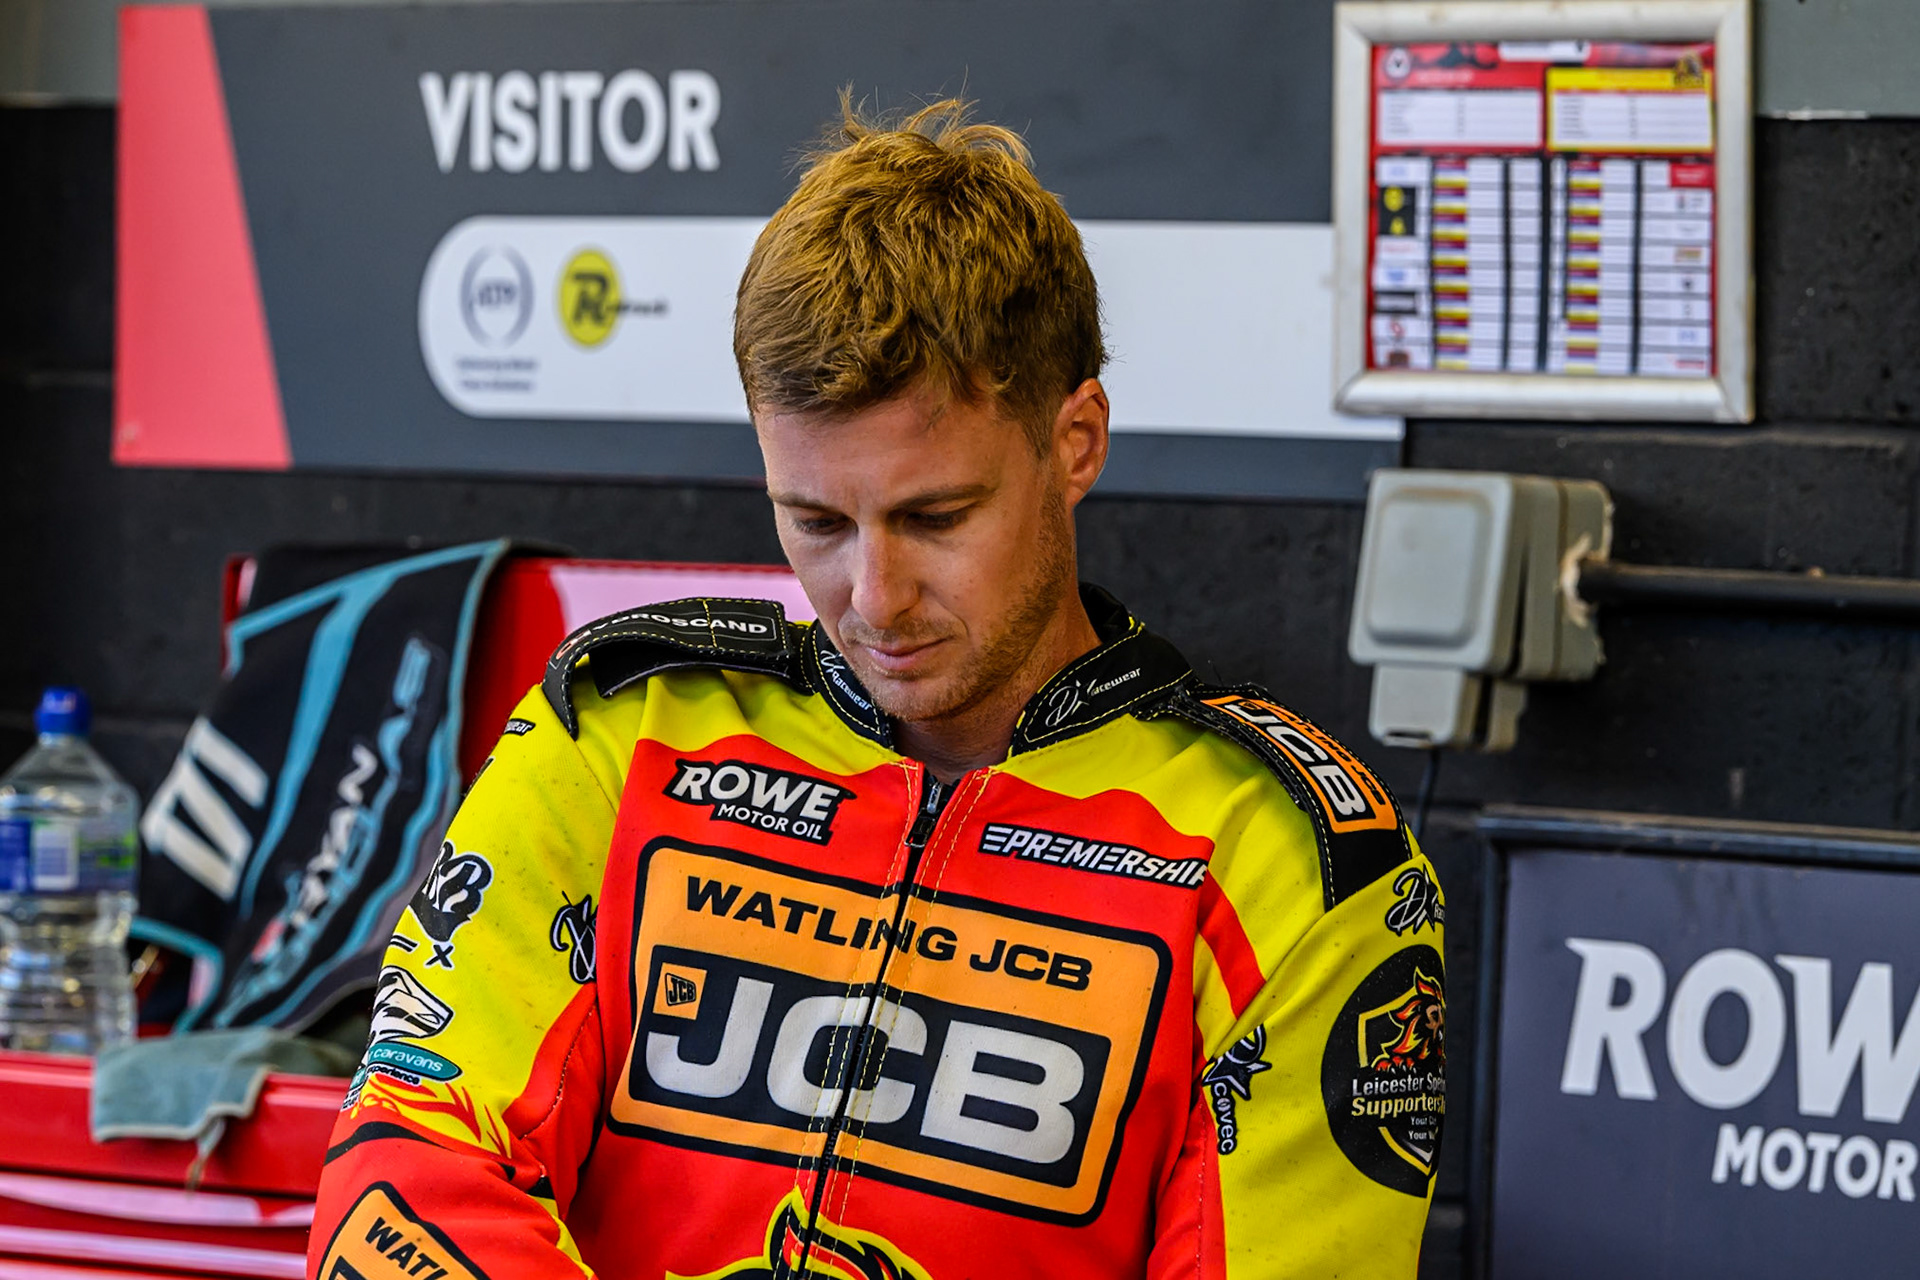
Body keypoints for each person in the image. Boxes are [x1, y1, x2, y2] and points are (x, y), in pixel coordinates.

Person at [310, 99, 1446, 1280]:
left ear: (1077, 441)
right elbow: (404, 1165)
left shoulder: (1290, 863)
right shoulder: (618, 736)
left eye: (935, 517)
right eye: (814, 520)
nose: (874, 593)